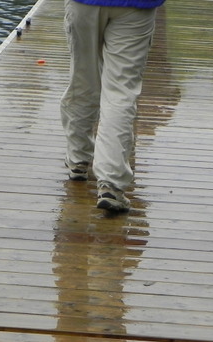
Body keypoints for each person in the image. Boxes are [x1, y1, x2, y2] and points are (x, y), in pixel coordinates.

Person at [61, 0, 165, 212]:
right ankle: (111, 183)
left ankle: (78, 160)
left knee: (82, 80)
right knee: (121, 92)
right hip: (136, 6)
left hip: (84, 4)